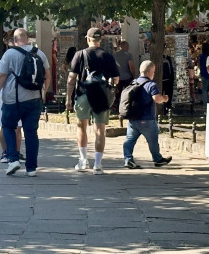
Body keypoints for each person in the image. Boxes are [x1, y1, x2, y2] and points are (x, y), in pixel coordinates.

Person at [0, 28, 50, 177]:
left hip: (13, 99)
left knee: (8, 126)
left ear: (15, 41)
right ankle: (31, 168)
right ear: (28, 39)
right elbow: (48, 76)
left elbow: (2, 76)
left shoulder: (10, 54)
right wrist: (43, 92)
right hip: (34, 99)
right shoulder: (39, 53)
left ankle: (13, 159)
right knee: (31, 132)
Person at [66, 28, 119, 174]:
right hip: (101, 96)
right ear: (100, 39)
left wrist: (68, 98)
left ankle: (83, 161)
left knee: (81, 127)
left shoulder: (79, 54)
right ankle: (98, 164)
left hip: (83, 94)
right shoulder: (107, 56)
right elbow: (116, 79)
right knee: (100, 130)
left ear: (87, 39)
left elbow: (71, 79)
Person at [122, 60, 173, 169]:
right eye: (153, 71)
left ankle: (128, 159)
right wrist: (164, 98)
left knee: (129, 140)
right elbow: (156, 98)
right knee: (153, 140)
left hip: (133, 119)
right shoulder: (151, 84)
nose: (154, 74)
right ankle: (157, 159)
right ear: (150, 72)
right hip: (147, 119)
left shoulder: (133, 82)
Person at [113, 40, 137, 112]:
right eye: (127, 46)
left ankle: (115, 108)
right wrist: (134, 75)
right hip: (127, 77)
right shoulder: (128, 55)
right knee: (128, 93)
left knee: (117, 94)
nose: (128, 47)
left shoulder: (115, 55)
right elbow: (131, 67)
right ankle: (127, 108)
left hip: (118, 78)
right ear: (123, 46)